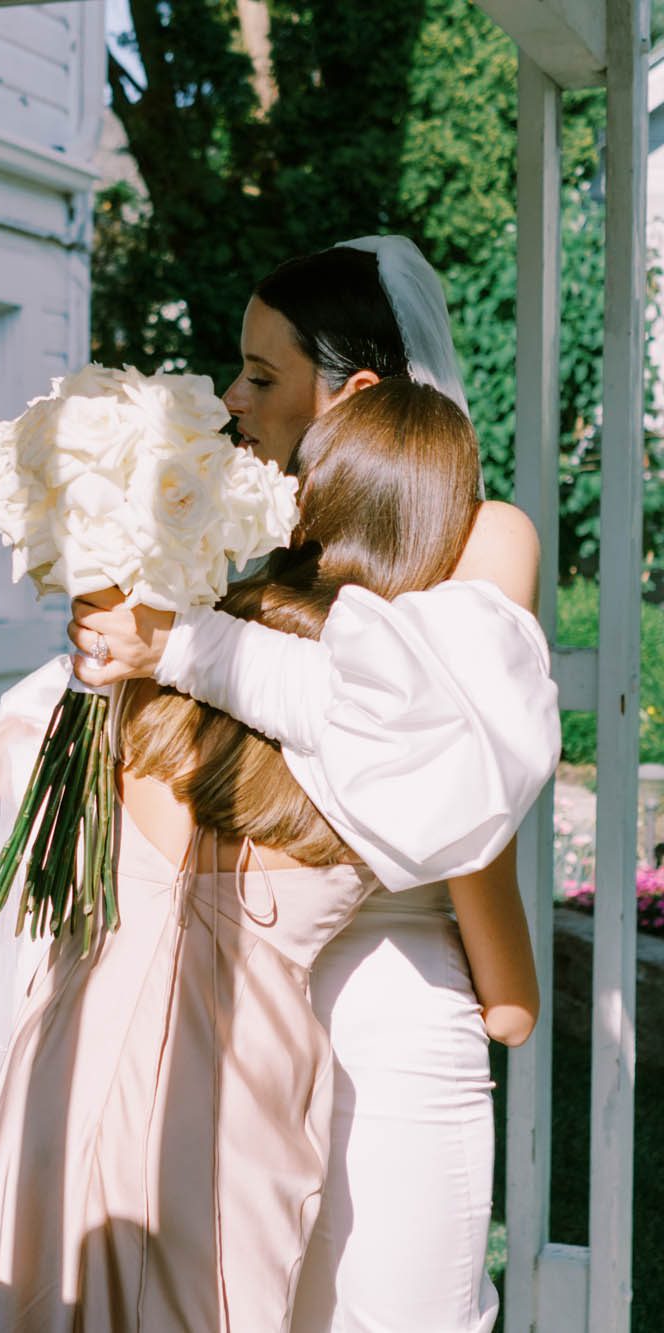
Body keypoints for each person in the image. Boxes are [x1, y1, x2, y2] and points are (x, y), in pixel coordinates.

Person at [59, 237, 553, 1329]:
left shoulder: (484, 540)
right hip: (224, 999)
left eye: (260, 375)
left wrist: (175, 649)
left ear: (353, 391)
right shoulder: (230, 548)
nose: (231, 399)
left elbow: (437, 758)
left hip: (397, 997)